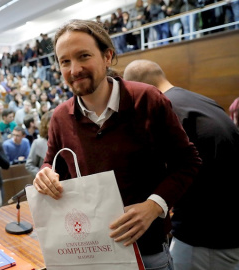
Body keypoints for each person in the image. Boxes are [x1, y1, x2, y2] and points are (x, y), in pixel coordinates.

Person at [33, 20, 201, 269]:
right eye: (65, 61)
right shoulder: (59, 117)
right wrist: (45, 174)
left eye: (84, 56)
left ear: (107, 56)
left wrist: (154, 206)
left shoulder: (148, 100)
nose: (75, 69)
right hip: (89, 252)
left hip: (148, 251)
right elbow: (53, 163)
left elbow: (187, 161)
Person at [123, 59, 239, 270]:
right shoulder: (202, 100)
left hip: (205, 235)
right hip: (227, 223)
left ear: (140, 88)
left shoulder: (164, 109)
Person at [26, 110, 53, 176]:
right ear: (45, 125)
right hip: (47, 181)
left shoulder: (64, 140)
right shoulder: (38, 143)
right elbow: (29, 165)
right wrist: (42, 175)